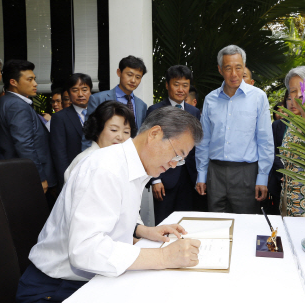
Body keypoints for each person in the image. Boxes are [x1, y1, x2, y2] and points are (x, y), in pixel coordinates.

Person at [15, 106, 203, 302]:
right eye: (176, 154)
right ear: (154, 134)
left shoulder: (134, 168)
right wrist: (163, 258)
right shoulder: (105, 169)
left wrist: (142, 231)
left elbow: (110, 220)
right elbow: (85, 250)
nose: (174, 164)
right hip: (54, 288)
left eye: (180, 160)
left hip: (90, 279)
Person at [196, 45, 274, 214]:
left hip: (246, 173)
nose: (234, 74)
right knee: (216, 225)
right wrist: (201, 174)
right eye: (228, 68)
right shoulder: (210, 99)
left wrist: (262, 177)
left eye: (238, 68)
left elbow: (265, 140)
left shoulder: (258, 97)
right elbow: (203, 141)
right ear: (220, 70)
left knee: (245, 226)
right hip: (215, 172)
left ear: (244, 67)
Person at [147, 65, 201, 224]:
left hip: (189, 177)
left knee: (187, 223)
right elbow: (149, 147)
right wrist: (155, 180)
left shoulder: (194, 112)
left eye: (185, 85)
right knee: (164, 222)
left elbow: (197, 145)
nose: (181, 89)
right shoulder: (155, 110)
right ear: (167, 85)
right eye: (176, 84)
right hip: (164, 177)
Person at [0, 60, 57, 200]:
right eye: (29, 80)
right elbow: (24, 144)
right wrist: (39, 176)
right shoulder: (16, 105)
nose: (35, 84)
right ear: (13, 82)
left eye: (34, 79)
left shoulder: (6, 100)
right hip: (29, 175)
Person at [83, 55, 148, 150]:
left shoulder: (141, 105)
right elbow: (88, 134)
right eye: (129, 75)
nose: (133, 80)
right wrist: (88, 157)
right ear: (119, 72)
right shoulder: (98, 99)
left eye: (138, 77)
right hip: (103, 154)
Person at [279, 66, 305, 216]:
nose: (299, 94)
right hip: (289, 205)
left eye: (304, 87)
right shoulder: (294, 123)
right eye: (293, 91)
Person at [64, 100, 135, 183]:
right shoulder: (88, 161)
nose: (120, 137)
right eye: (114, 130)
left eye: (126, 132)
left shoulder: (124, 159)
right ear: (97, 130)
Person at [50, 73, 92, 186]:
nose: (80, 94)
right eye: (75, 90)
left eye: (84, 89)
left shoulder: (99, 114)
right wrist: (67, 179)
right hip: (72, 176)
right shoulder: (60, 117)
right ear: (68, 93)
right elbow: (59, 153)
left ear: (90, 92)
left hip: (95, 174)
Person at [264, 89, 291, 215]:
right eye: (289, 100)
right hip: (278, 177)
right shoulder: (277, 125)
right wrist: (282, 170)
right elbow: (271, 149)